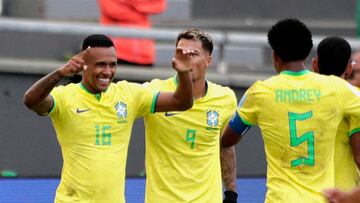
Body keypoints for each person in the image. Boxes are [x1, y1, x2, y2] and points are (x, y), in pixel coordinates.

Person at [23, 34, 194, 203]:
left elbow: (182, 102)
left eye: (113, 65)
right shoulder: (66, 96)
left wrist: (184, 73)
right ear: (84, 66)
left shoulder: (129, 94)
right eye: (100, 65)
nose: (107, 71)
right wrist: (60, 73)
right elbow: (31, 100)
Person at [221, 18, 360, 203]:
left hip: (280, 198)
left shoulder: (260, 92)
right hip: (322, 199)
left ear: (274, 55)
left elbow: (228, 139)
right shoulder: (335, 88)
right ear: (306, 54)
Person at [142, 28, 238, 203]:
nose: (186, 59)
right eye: (181, 53)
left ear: (208, 60)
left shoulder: (225, 98)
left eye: (193, 54)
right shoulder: (154, 92)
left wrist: (231, 193)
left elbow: (225, 147)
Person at [312, 36, 360, 191]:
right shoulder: (354, 100)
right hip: (342, 192)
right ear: (349, 69)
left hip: (305, 191)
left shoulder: (298, 97)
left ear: (314, 65)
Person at [97, 0, 166, 66]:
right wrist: (140, 9)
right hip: (115, 54)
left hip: (144, 55)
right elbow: (114, 10)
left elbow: (159, 5)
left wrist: (132, 4)